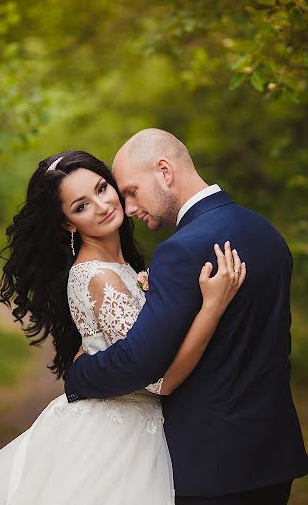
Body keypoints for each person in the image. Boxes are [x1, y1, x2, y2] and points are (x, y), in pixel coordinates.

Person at [0, 150, 245, 505]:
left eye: (102, 188)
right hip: (117, 436)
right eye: (80, 206)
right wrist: (212, 307)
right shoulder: (96, 276)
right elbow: (161, 381)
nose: (101, 205)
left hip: (140, 427)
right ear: (67, 224)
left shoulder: (122, 267)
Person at [65, 130, 308, 505]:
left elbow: (141, 363)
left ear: (164, 171)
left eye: (131, 191)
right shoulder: (265, 233)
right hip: (273, 456)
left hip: (213, 466)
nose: (128, 208)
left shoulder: (181, 251)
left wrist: (80, 374)